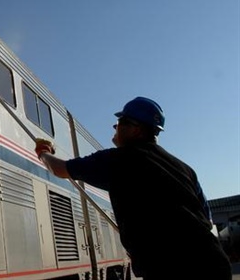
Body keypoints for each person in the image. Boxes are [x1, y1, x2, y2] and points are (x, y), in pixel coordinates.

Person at [35, 97, 231, 280]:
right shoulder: (185, 169)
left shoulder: (120, 159)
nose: (115, 129)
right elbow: (208, 219)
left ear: (136, 129)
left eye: (119, 123)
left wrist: (44, 153)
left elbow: (60, 169)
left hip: (173, 268)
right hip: (214, 263)